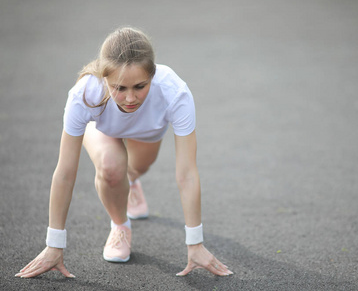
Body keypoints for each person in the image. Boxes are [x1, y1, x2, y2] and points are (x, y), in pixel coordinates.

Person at [15, 27, 232, 278]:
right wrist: (54, 244)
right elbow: (64, 173)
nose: (130, 98)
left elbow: (187, 173)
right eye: (119, 87)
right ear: (104, 78)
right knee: (111, 167)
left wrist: (195, 243)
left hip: (147, 132)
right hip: (102, 129)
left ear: (153, 74)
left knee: (134, 169)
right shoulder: (85, 93)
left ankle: (131, 182)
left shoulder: (174, 91)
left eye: (140, 86)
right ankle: (120, 225)